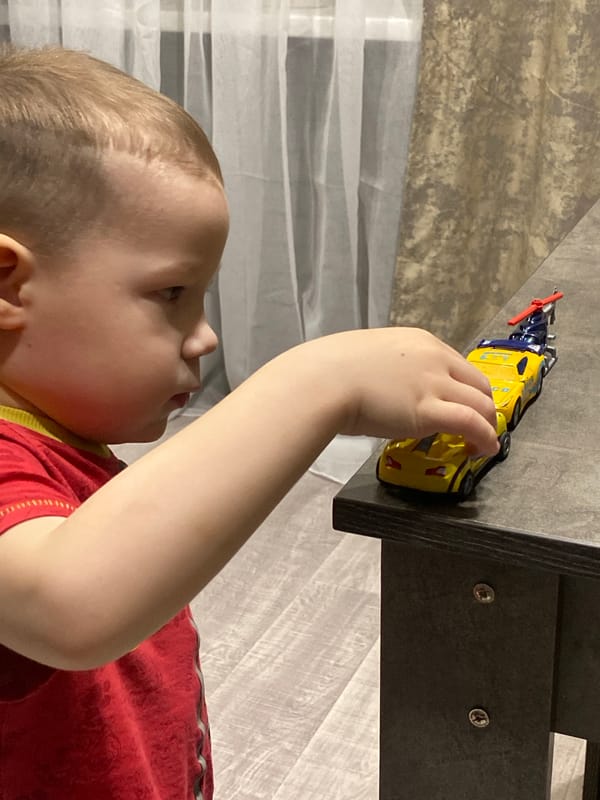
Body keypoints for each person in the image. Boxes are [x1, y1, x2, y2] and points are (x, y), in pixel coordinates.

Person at [0, 46, 498, 800]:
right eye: (170, 294)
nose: (204, 337)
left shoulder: (60, 438)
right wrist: (314, 381)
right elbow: (69, 606)